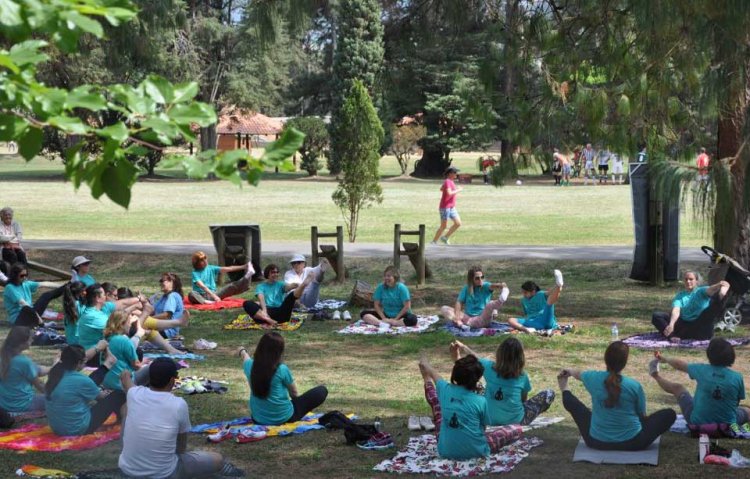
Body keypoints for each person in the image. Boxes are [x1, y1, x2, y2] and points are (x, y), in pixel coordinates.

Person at [118, 357, 245, 478]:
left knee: (125, 408)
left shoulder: (134, 394)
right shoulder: (178, 404)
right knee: (217, 459)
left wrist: (128, 371)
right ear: (172, 381)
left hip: (128, 469)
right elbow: (181, 448)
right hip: (165, 473)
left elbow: (125, 378)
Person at [558, 341, 676, 450]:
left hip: (596, 441)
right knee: (669, 414)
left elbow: (578, 373)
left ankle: (564, 389)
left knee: (579, 409)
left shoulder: (592, 378)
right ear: (625, 362)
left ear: (605, 359)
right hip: (633, 442)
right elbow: (642, 415)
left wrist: (569, 371)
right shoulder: (634, 386)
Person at [418, 355, 523, 460]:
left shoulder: (445, 389)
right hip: (477, 451)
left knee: (437, 404)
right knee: (516, 428)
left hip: (445, 451)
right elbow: (483, 426)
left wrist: (427, 366)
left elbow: (436, 376)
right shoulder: (480, 401)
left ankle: (426, 378)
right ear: (476, 380)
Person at [649, 338, 750, 434]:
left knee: (678, 388)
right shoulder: (737, 377)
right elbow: (736, 403)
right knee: (746, 411)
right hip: (728, 426)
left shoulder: (702, 370)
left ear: (709, 354)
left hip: (698, 423)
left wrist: (664, 359)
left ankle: (655, 375)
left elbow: (679, 364)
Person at [451, 338, 555, 425]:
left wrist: (463, 347)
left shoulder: (489, 368)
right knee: (549, 393)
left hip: (489, 419)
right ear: (521, 357)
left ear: (499, 353)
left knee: (476, 385)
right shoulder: (523, 376)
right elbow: (523, 400)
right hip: (516, 421)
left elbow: (475, 359)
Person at [239, 332, 328, 425]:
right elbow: (294, 393)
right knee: (322, 391)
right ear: (279, 351)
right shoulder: (281, 369)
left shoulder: (249, 365)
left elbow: (245, 357)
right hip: (285, 418)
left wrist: (242, 350)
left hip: (258, 419)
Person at [45, 345, 127, 436]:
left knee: (90, 382)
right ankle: (122, 420)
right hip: (78, 429)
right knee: (119, 394)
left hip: (58, 429)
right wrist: (106, 394)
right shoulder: (81, 380)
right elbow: (100, 398)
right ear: (79, 362)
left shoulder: (54, 374)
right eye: (84, 361)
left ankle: (109, 363)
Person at [651, 271, 730, 341]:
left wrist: (719, 285)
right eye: (686, 279)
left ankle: (722, 295)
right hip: (684, 329)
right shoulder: (680, 295)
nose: (688, 281)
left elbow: (711, 289)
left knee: (712, 307)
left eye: (691, 279)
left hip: (701, 328)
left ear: (696, 281)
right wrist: (671, 325)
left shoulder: (701, 291)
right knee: (657, 316)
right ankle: (671, 336)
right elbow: (676, 310)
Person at [440, 265, 509, 330]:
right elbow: (459, 302)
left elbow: (494, 286)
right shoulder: (466, 288)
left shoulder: (486, 285)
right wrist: (457, 318)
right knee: (444, 308)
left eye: (482, 277)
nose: (480, 280)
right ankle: (462, 324)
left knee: (490, 304)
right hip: (469, 318)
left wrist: (502, 285)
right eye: (477, 278)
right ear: (471, 279)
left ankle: (501, 300)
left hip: (482, 318)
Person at [0, 327, 52, 413]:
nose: (32, 340)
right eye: (30, 338)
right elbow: (40, 386)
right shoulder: (24, 362)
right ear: (22, 343)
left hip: (4, 404)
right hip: (24, 404)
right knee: (61, 400)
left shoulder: (3, 357)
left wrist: (54, 367)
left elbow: (38, 369)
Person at [242, 264, 312, 327]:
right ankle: (268, 320)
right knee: (247, 303)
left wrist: (296, 285)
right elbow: (261, 298)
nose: (275, 274)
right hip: (266, 314)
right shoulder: (261, 286)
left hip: (281, 314)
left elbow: (288, 287)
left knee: (291, 296)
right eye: (273, 272)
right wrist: (264, 311)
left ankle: (303, 285)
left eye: (277, 272)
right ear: (267, 274)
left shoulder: (281, 284)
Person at [2, 263, 66, 327]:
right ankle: (41, 325)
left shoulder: (25, 284)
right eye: (22, 276)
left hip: (30, 314)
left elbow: (44, 284)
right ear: (15, 275)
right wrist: (39, 319)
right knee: (29, 307)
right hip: (18, 319)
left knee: (46, 295)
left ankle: (68, 287)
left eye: (26, 275)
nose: (24, 277)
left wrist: (61, 286)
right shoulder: (10, 288)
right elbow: (24, 304)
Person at [360, 266, 417, 331]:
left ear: (395, 277)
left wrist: (395, 320)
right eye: (385, 276)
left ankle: (394, 323)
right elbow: (376, 305)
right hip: (386, 315)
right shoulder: (380, 287)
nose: (386, 278)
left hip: (401, 315)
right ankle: (382, 323)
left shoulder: (402, 288)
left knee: (412, 319)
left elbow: (407, 307)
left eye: (389, 276)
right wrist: (384, 318)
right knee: (364, 314)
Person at [188, 251, 255, 305]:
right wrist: (214, 297)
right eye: (202, 260)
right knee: (191, 294)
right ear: (197, 263)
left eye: (205, 258)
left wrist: (244, 266)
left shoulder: (211, 268)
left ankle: (247, 276)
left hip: (214, 294)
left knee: (230, 286)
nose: (205, 261)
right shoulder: (195, 273)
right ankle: (205, 301)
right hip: (201, 295)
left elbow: (228, 269)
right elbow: (203, 286)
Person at [149, 272, 189, 338]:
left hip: (167, 331)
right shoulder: (164, 297)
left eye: (162, 281)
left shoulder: (173, 296)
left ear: (172, 282)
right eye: (160, 281)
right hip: (159, 327)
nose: (160, 283)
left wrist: (149, 319)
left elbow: (167, 315)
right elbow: (152, 311)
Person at [431, 166, 462, 245]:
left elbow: (441, 189)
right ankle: (434, 242)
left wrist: (449, 189)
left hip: (451, 207)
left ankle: (445, 237)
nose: (456, 174)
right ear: (450, 174)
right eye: (455, 172)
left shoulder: (450, 181)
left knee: (458, 223)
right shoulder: (448, 181)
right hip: (445, 207)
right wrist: (458, 190)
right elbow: (449, 193)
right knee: (443, 226)